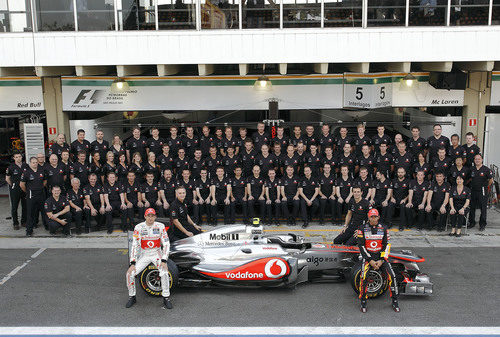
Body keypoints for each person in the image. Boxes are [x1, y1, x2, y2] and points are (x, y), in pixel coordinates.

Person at [126, 208, 172, 309]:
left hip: (157, 253)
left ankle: (166, 297)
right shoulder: (138, 227)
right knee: (130, 274)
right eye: (148, 216)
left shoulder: (160, 226)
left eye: (152, 216)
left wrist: (164, 260)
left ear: (155, 217)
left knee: (164, 272)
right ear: (145, 216)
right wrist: (132, 262)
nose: (150, 218)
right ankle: (132, 296)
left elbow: (166, 243)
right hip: (144, 254)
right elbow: (135, 245)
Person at [357, 208, 400, 313]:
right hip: (368, 257)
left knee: (392, 276)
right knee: (363, 277)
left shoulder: (384, 228)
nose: (373, 218)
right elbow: (361, 246)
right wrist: (370, 260)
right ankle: (363, 301)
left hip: (381, 257)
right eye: (371, 216)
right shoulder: (361, 228)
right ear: (368, 217)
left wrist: (381, 260)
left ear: (378, 217)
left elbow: (387, 245)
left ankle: (395, 301)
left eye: (375, 216)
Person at [20, 156, 47, 236]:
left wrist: (41, 187)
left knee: (44, 211)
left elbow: (45, 181)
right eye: (33, 162)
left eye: (36, 162)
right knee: (30, 213)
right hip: (31, 195)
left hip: (41, 194)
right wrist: (28, 191)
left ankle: (47, 226)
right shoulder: (26, 172)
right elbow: (22, 185)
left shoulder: (41, 171)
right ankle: (29, 230)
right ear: (30, 163)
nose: (35, 164)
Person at [469, 154, 493, 230]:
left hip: (482, 191)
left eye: (479, 159)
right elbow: (469, 179)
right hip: (473, 190)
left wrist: (485, 187)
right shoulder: (471, 169)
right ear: (474, 160)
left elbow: (491, 180)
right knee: (472, 207)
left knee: (483, 208)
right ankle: (472, 222)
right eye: (476, 159)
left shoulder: (486, 169)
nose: (477, 160)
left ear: (482, 160)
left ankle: (482, 224)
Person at [6, 152, 26, 230]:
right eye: (16, 157)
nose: (18, 158)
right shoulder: (11, 167)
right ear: (14, 158)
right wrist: (13, 185)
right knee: (14, 207)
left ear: (22, 157)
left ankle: (24, 221)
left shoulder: (25, 165)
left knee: (25, 206)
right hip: (15, 189)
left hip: (24, 189)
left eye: (19, 156)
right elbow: (7, 179)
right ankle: (15, 223)